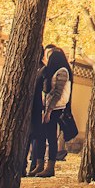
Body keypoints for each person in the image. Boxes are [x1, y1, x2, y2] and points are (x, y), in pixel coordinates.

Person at [31, 43, 72, 176]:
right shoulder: (51, 72)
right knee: (41, 136)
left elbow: (56, 94)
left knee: (51, 137)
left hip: (56, 109)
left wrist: (48, 112)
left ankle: (50, 167)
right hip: (47, 107)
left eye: (50, 56)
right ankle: (39, 164)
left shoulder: (62, 72)